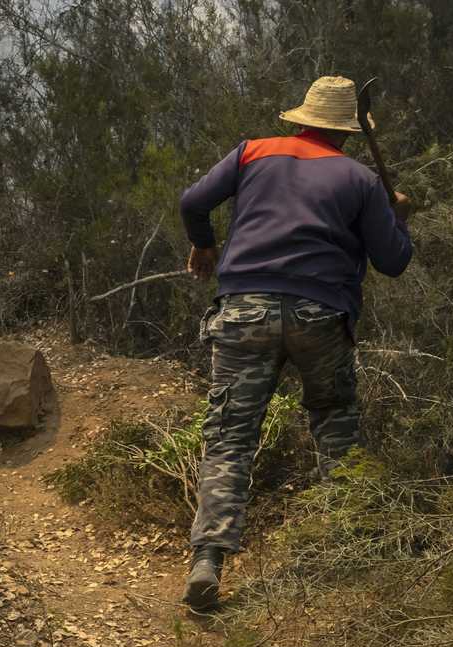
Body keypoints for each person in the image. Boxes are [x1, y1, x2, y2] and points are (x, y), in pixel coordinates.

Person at [176, 76, 415, 611]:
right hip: (320, 314)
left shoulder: (252, 152)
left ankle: (208, 560)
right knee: (334, 422)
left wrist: (204, 248)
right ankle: (352, 549)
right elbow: (393, 262)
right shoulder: (359, 177)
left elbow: (193, 202)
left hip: (242, 311)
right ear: (349, 132)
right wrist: (400, 219)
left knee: (229, 436)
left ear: (302, 117)